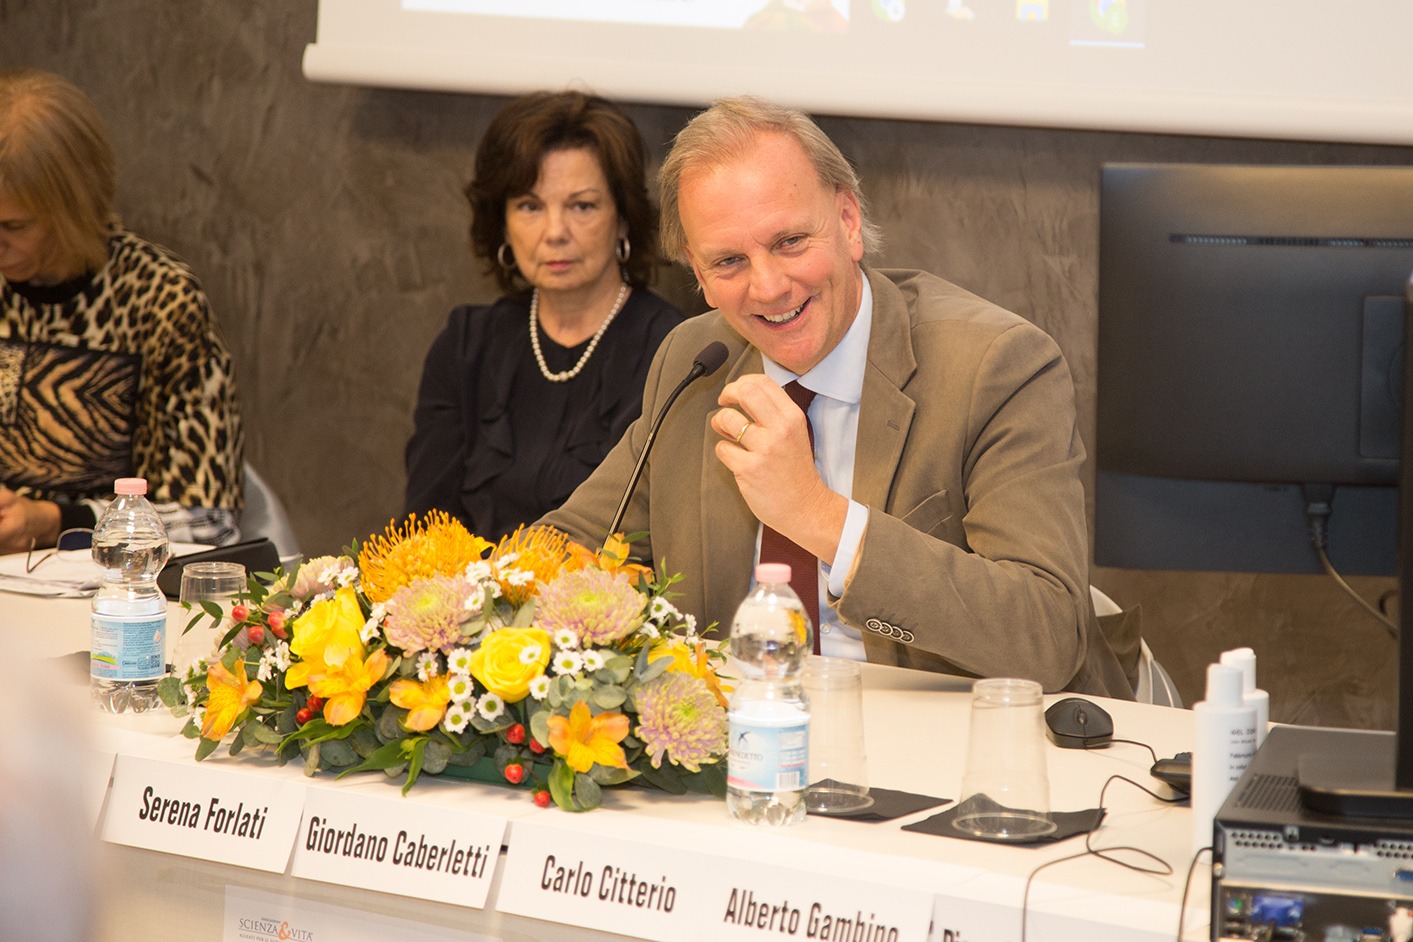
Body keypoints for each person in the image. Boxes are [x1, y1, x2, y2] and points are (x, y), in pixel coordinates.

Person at [542, 96, 1132, 698]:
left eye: (790, 241)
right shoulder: (695, 361)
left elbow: (1046, 636)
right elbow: (570, 543)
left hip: (950, 735)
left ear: (849, 222)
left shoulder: (996, 366)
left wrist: (816, 513)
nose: (768, 286)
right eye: (729, 261)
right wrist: (485, 601)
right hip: (749, 729)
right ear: (698, 272)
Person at [405, 91, 686, 541]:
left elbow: (665, 539)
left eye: (582, 206)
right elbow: (423, 529)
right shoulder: (466, 345)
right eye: (530, 206)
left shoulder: (674, 351)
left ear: (623, 219)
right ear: (503, 223)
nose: (555, 232)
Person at [0, 68, 244, 554]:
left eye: (15, 227)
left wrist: (55, 522)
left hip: (105, 583)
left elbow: (210, 521)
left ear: (73, 211)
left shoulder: (161, 300)